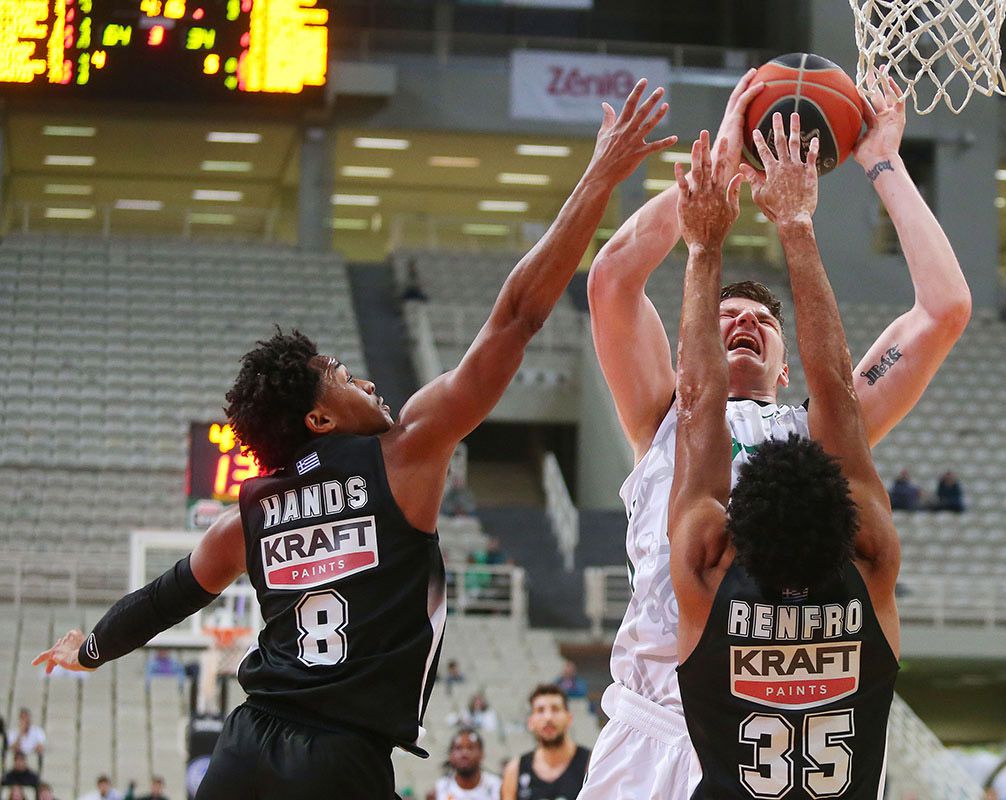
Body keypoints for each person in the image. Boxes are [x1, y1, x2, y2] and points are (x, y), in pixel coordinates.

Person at [32, 79, 676, 800]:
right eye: (339, 374)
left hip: (246, 751)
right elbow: (518, 316)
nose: (363, 379)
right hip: (341, 762)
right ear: (319, 420)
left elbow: (165, 598)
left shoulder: (246, 515)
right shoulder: (405, 453)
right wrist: (599, 177)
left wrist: (89, 649)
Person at [579, 69, 968, 799]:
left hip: (802, 713)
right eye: (725, 313)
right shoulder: (662, 408)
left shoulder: (824, 429)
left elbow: (944, 308)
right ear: (693, 342)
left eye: (764, 320)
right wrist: (728, 158)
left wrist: (883, 161)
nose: (744, 320)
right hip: (657, 726)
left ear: (788, 369)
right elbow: (612, 280)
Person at [667, 121, 900, 799]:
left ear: (729, 527)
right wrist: (796, 226)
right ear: (847, 518)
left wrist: (703, 245)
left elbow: (699, 404)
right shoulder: (872, 560)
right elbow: (836, 395)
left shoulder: (707, 569)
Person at [500, 685, 590, 800]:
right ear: (530, 722)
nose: (548, 717)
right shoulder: (514, 770)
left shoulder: (591, 764)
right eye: (540, 710)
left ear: (569, 718)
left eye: (555, 709)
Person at [430, 730, 501, 800]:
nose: (464, 754)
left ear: (482, 754)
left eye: (470, 748)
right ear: (450, 755)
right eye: (458, 748)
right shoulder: (438, 790)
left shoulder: (498, 788)